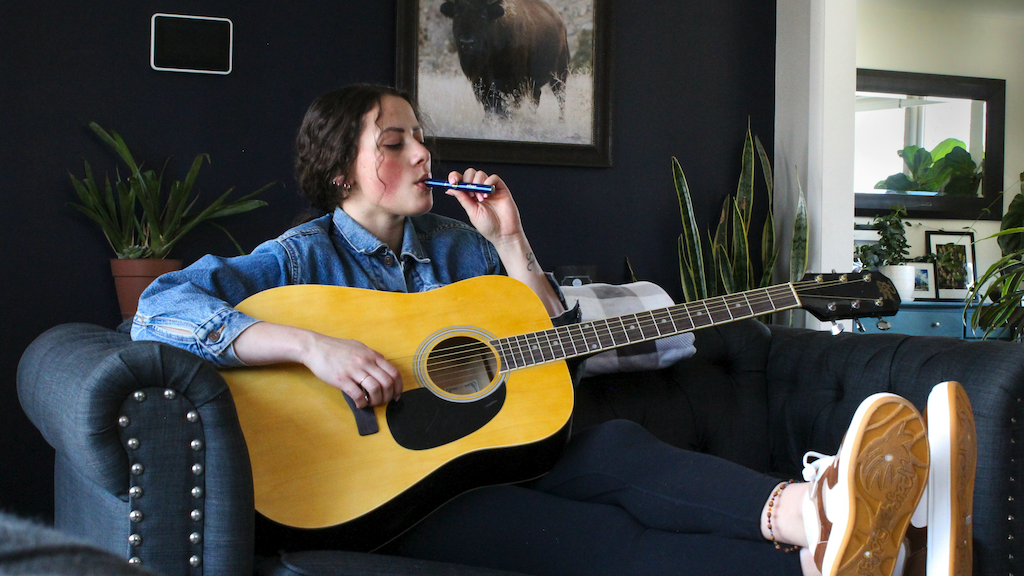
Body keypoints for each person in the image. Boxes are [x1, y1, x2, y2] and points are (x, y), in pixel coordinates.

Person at [131, 84, 970, 576]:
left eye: (421, 135)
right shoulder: (296, 259)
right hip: (393, 501)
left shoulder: (458, 243)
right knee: (614, 543)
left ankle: (823, 524)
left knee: (617, 452)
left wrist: (510, 240)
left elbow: (550, 341)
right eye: (396, 141)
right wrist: (312, 346)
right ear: (340, 166)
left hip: (500, 459)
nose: (423, 153)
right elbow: (159, 306)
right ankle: (856, 534)